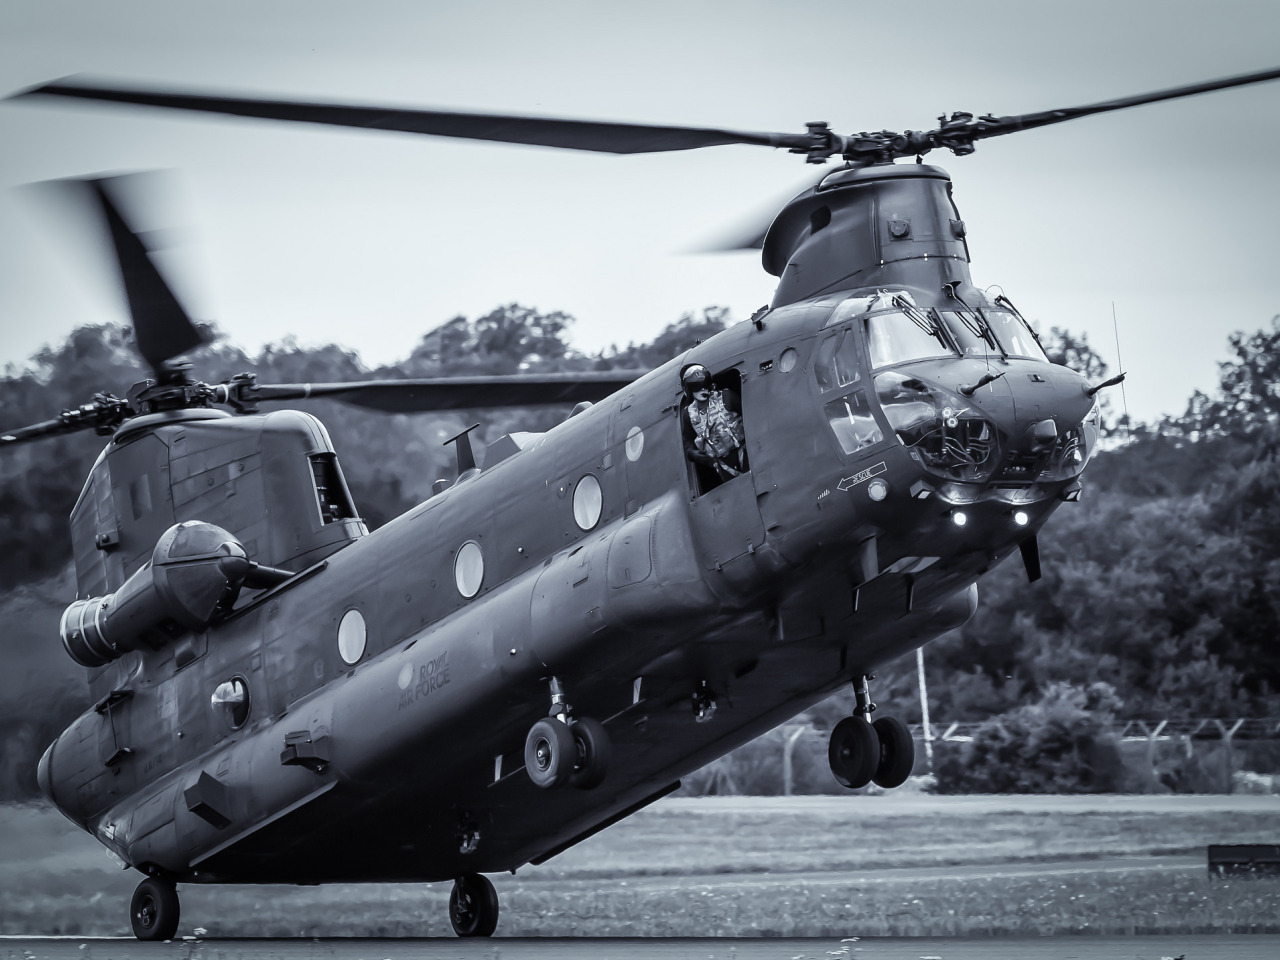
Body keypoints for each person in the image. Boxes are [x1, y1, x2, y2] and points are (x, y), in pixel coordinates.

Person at [681, 364, 747, 487]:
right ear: (689, 390)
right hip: (723, 466)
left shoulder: (727, 397)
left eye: (704, 385)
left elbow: (749, 414)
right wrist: (693, 454)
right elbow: (687, 442)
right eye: (696, 387)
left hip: (745, 452)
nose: (702, 389)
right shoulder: (688, 415)